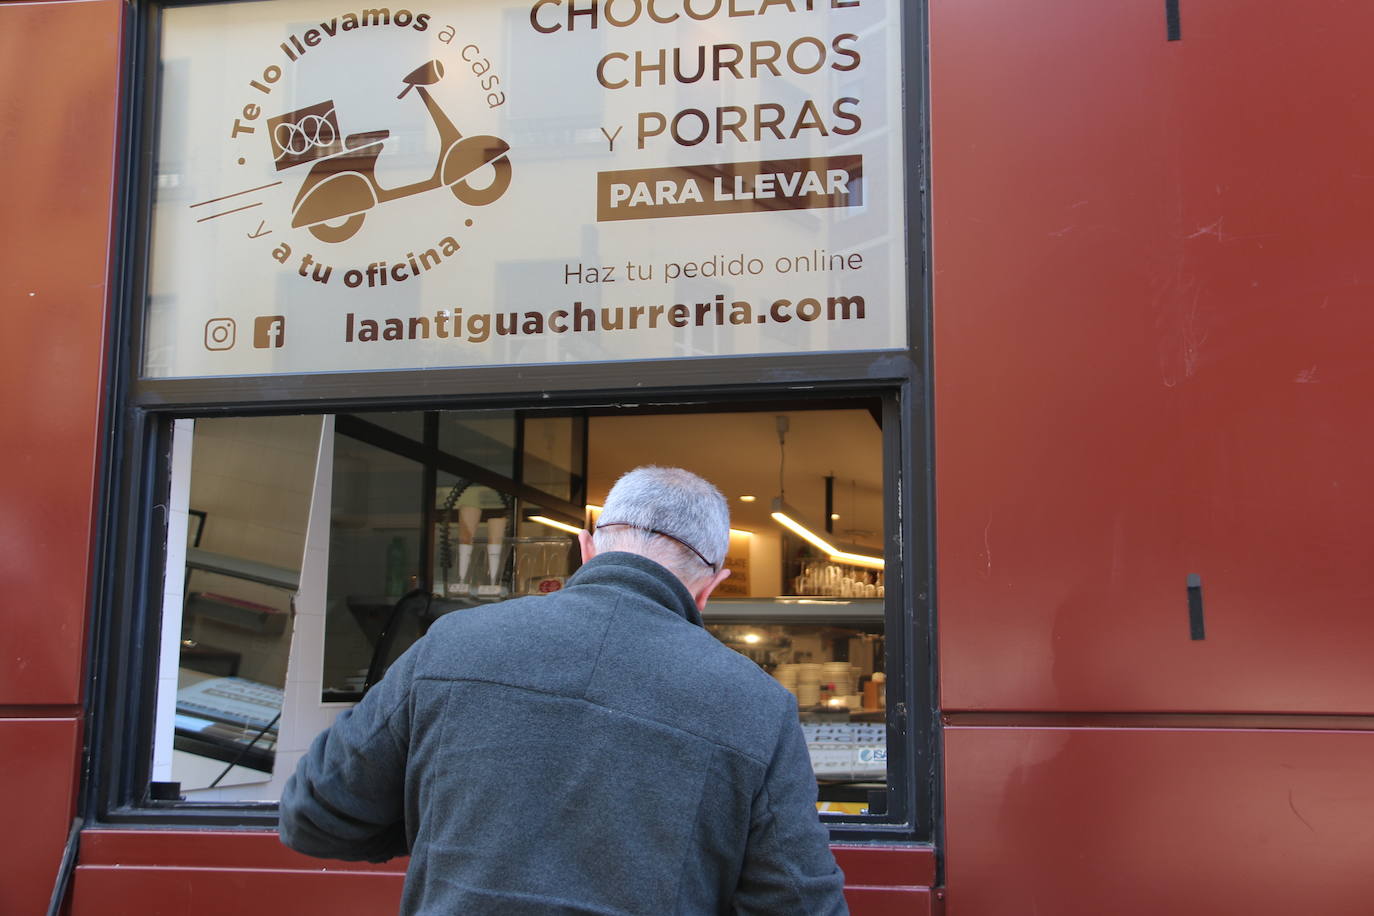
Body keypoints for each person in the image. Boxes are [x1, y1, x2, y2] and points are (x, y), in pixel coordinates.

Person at [279, 465, 848, 915]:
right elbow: (798, 902)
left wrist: (448, 814)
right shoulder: (756, 703)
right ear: (711, 587)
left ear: (586, 545)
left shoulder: (453, 644)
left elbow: (313, 813)